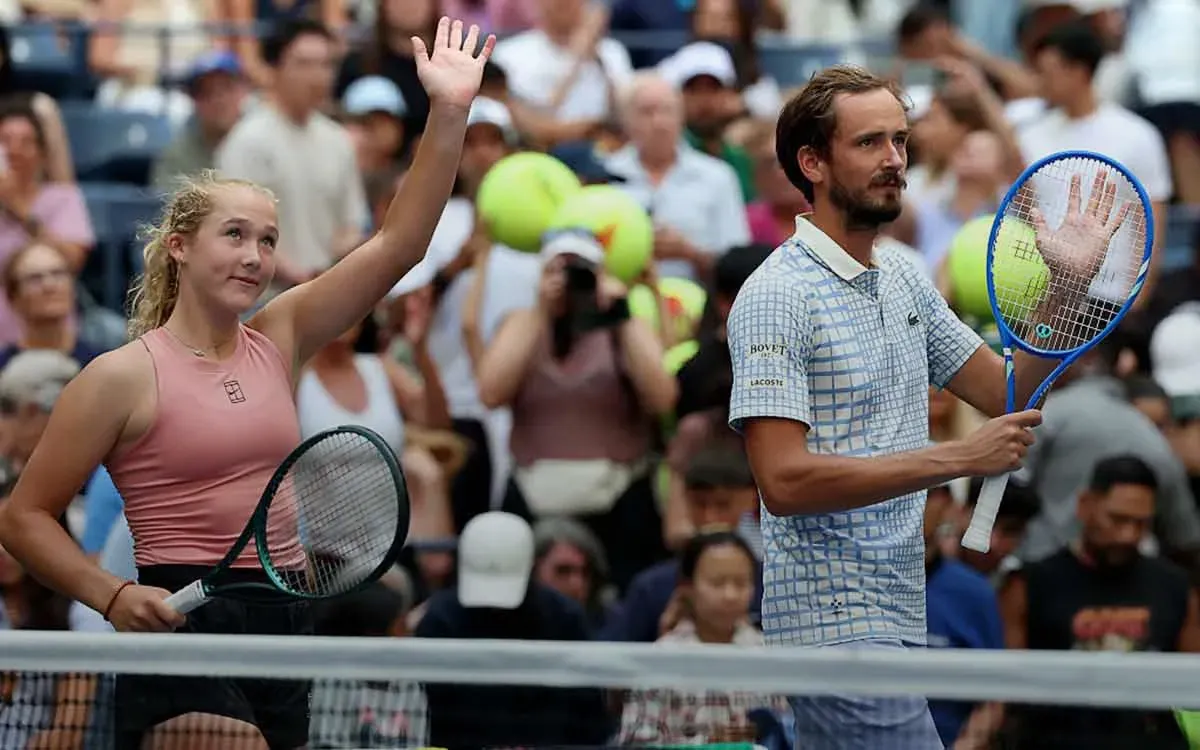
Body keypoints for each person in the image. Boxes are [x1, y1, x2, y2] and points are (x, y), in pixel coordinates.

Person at [0, 16, 493, 750]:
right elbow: (22, 517)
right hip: (179, 625)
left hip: (281, 619)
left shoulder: (279, 336)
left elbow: (400, 245)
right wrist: (113, 594)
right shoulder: (121, 377)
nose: (256, 255)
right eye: (233, 234)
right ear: (179, 246)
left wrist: (449, 112)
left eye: (267, 239)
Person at [727, 64, 1121, 749]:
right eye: (871, 143)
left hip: (895, 611)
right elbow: (784, 482)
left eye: (902, 141)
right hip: (834, 627)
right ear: (811, 163)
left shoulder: (904, 273)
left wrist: (1065, 287)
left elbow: (1006, 391)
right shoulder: (775, 296)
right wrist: (958, 458)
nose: (895, 160)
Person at [999, 455, 1200, 749]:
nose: (1128, 535)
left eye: (1140, 523)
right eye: (1117, 519)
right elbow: (1001, 688)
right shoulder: (1030, 584)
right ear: (1085, 505)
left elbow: (1192, 683)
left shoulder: (1175, 586)